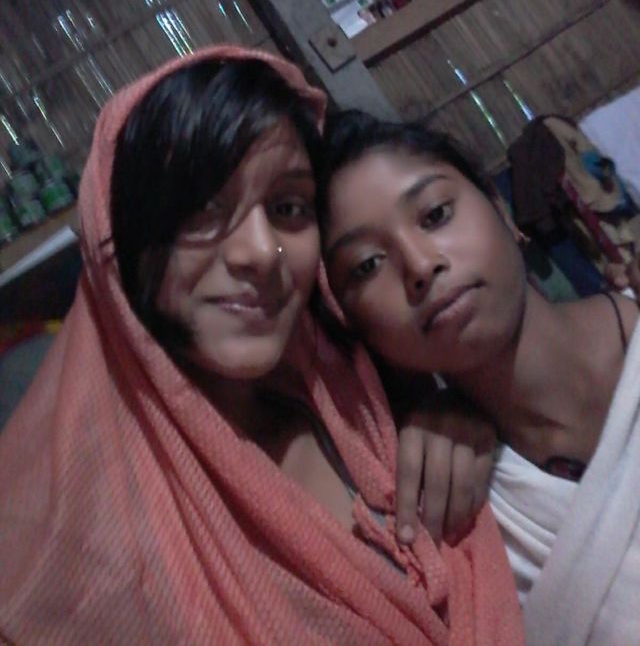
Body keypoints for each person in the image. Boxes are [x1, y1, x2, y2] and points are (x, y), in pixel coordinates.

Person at [0, 47, 522, 645]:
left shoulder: (355, 391)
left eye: (287, 208)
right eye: (202, 210)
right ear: (123, 241)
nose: (260, 252)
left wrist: (457, 414)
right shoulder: (76, 554)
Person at [319, 110, 640, 646]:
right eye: (367, 265)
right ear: (362, 332)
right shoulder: (465, 529)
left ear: (501, 209)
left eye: (435, 214)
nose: (420, 265)